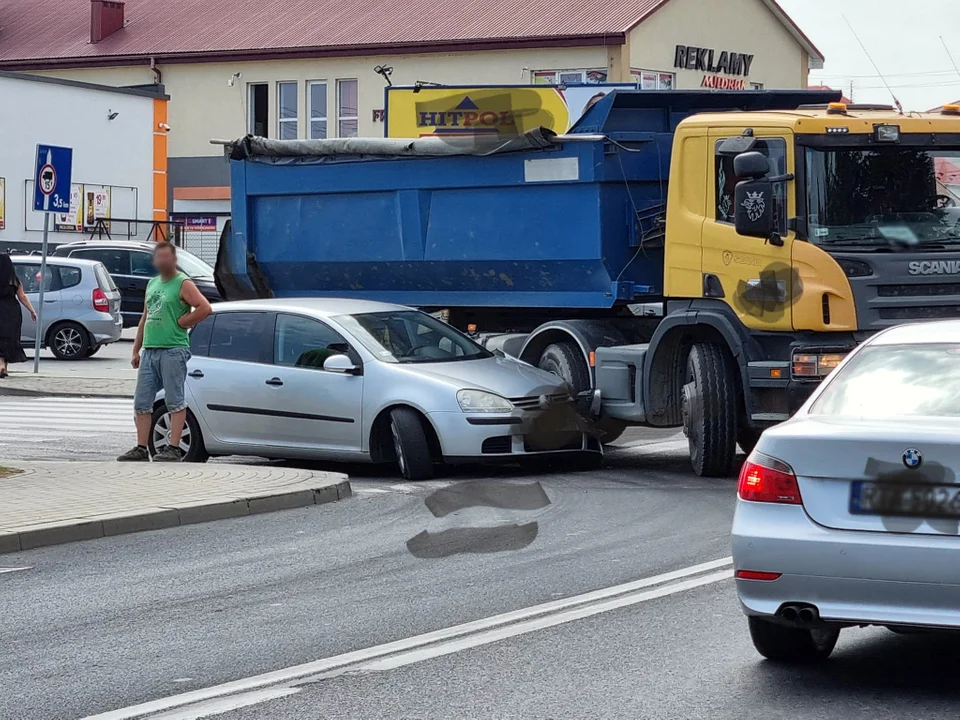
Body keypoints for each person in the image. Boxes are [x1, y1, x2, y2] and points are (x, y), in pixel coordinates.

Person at [118, 241, 212, 462]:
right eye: (158, 257)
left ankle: (174, 447)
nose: (161, 261)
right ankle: (141, 447)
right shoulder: (152, 284)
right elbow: (145, 318)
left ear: (174, 260)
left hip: (173, 349)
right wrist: (136, 349)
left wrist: (184, 321)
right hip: (150, 350)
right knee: (142, 401)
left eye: (166, 257)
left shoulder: (183, 283)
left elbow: (205, 307)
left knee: (174, 399)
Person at [0, 253, 36, 379]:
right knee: (10, 337)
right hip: (13, 311)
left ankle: (0, 365)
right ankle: (4, 366)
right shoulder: (14, 280)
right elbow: (22, 297)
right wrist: (32, 311)